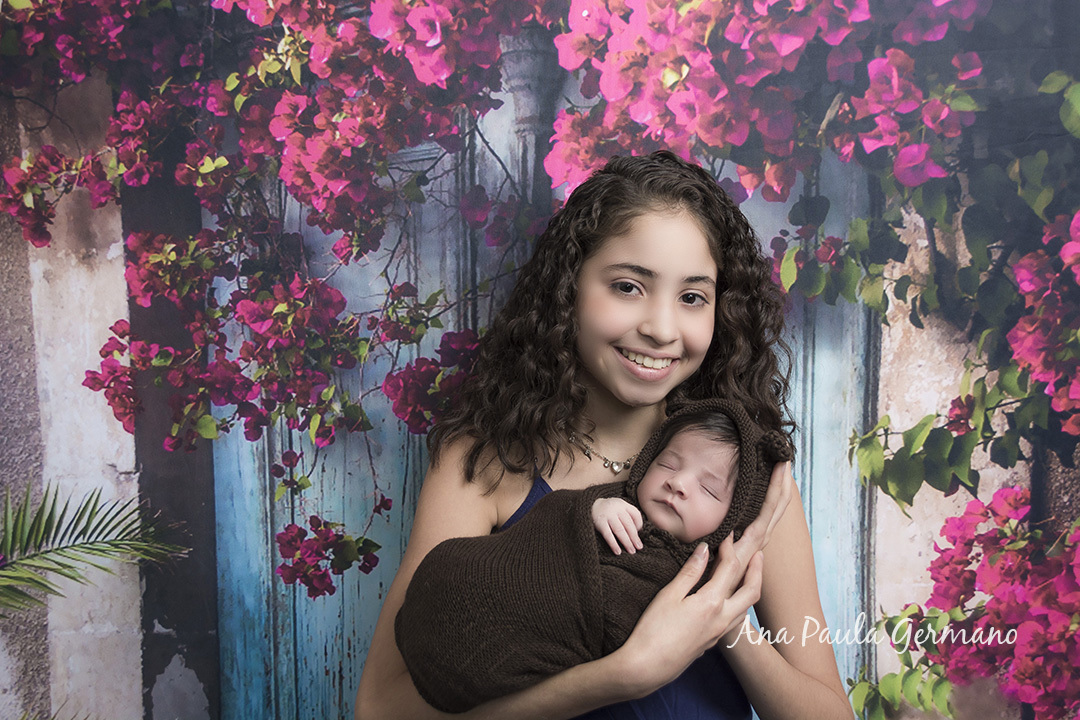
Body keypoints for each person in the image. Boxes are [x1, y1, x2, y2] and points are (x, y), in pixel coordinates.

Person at [355, 150, 855, 720]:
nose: (662, 328)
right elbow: (381, 707)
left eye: (692, 297)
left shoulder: (743, 483)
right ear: (569, 289)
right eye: (627, 287)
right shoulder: (488, 464)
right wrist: (623, 675)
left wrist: (725, 620)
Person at [394, 399, 793, 713]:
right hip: (460, 592)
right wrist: (589, 512)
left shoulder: (766, 518)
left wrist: (724, 615)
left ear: (735, 519)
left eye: (708, 490)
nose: (678, 483)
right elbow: (548, 537)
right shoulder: (605, 497)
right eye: (667, 463)